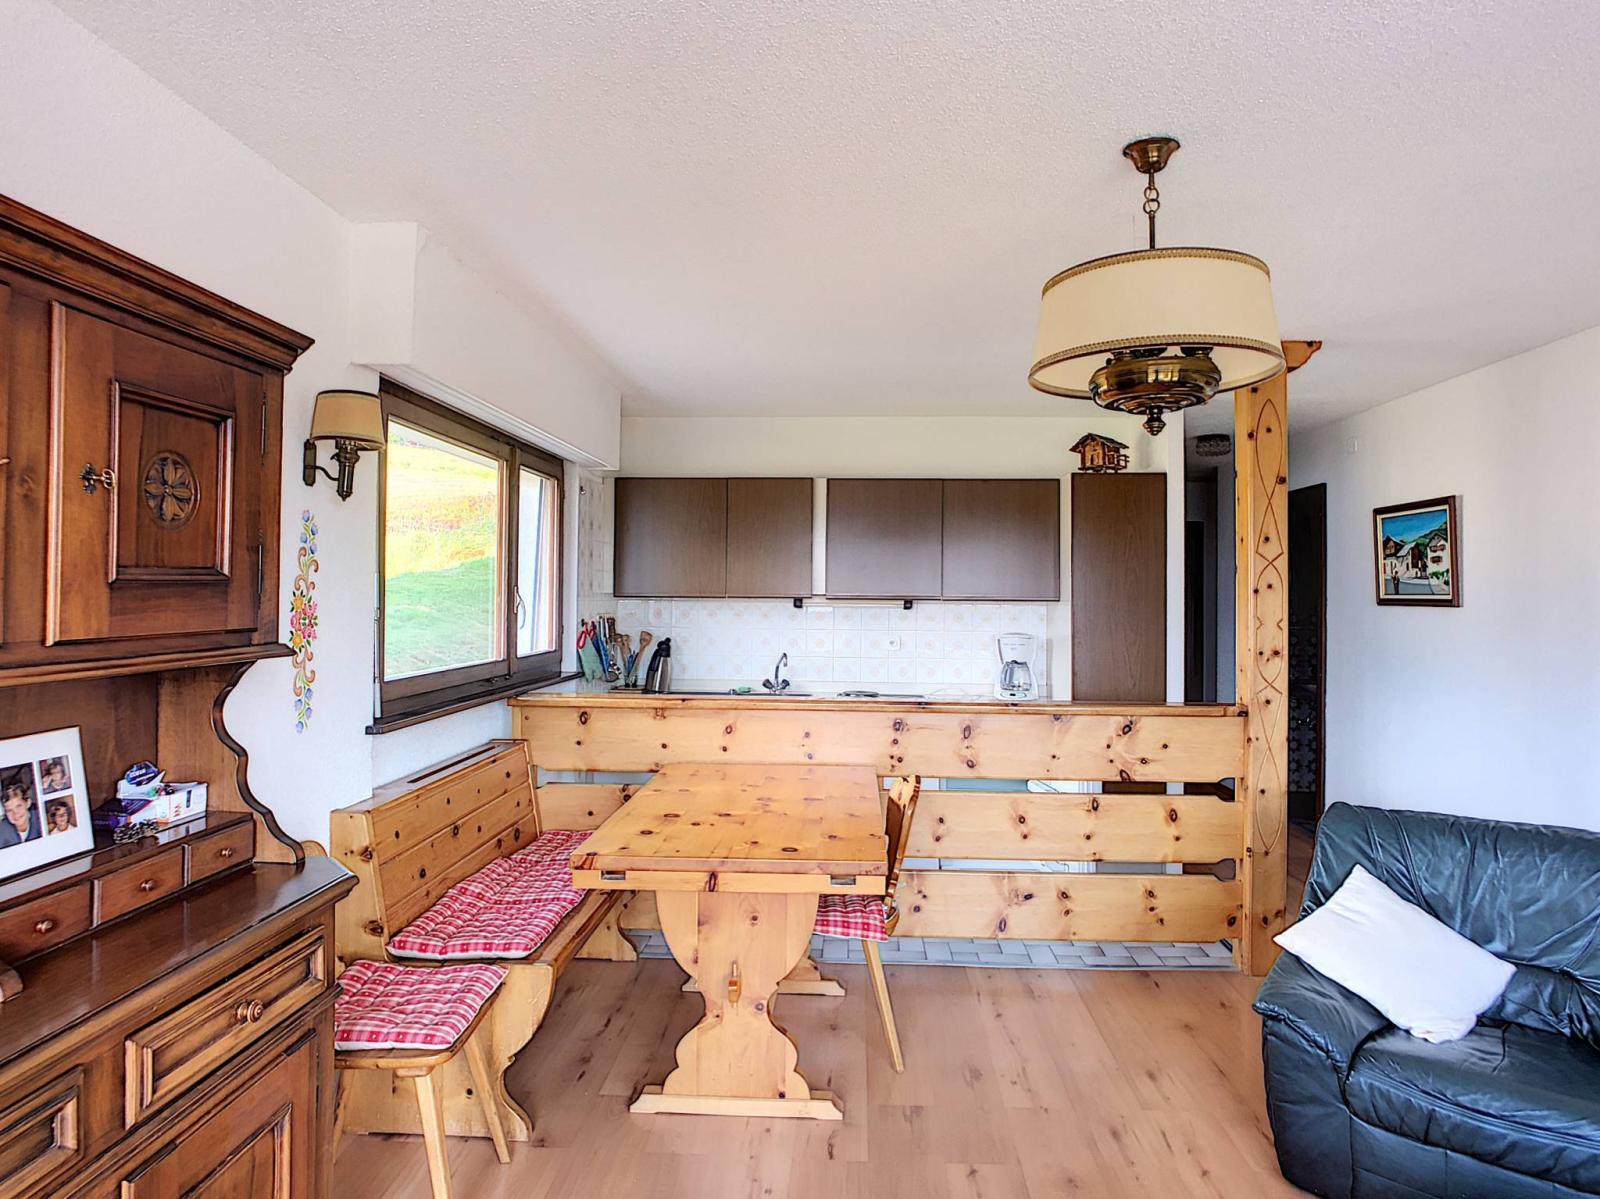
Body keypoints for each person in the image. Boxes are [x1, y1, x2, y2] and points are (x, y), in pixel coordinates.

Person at [0, 783, 41, 847]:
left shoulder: (41, 819)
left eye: (19, 806)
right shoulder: (2, 830)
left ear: (28, 803)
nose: (15, 813)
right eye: (9, 810)